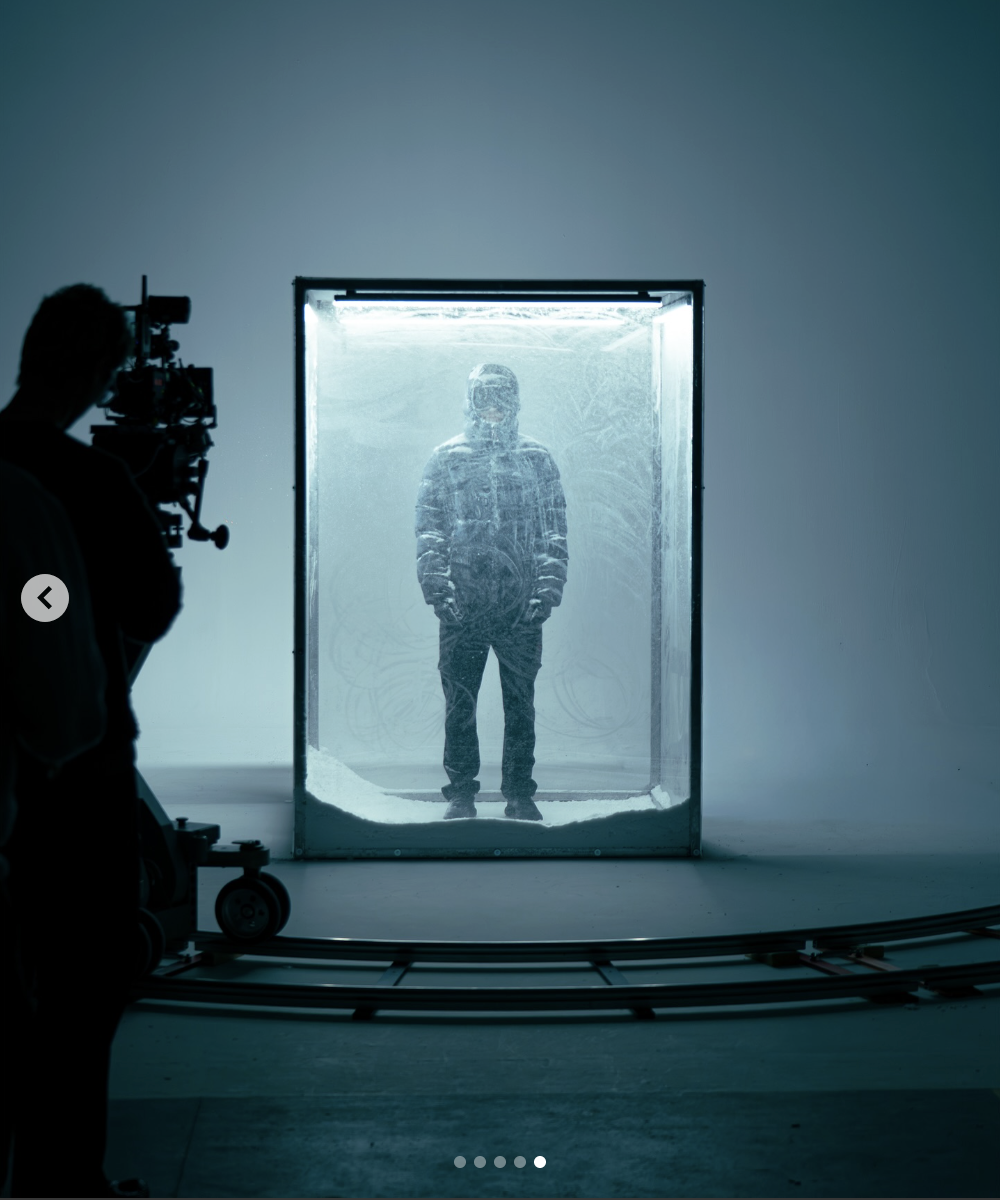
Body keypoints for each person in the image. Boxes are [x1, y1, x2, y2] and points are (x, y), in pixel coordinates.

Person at [0, 283, 182, 1198]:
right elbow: (151, 604)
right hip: (74, 781)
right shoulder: (73, 484)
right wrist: (74, 595)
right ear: (98, 374)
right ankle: (61, 1182)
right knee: (80, 990)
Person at [415, 364, 567, 821]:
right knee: (460, 705)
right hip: (464, 605)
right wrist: (440, 592)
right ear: (472, 400)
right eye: (485, 396)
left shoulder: (537, 459)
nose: (494, 406)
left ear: (515, 400)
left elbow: (553, 533)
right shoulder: (446, 459)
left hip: (520, 607)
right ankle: (461, 794)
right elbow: (430, 532)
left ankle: (519, 793)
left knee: (520, 705)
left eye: (501, 396)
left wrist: (546, 592)